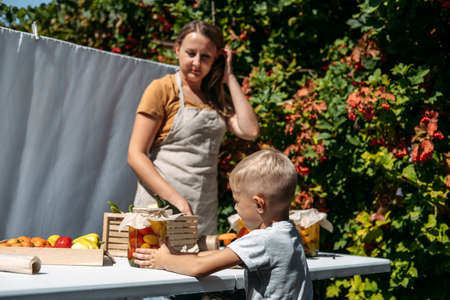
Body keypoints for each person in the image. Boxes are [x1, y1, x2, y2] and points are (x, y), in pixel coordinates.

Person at [127, 20, 259, 235]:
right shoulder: (162, 89)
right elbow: (135, 155)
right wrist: (176, 200)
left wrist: (229, 77)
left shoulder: (215, 99)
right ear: (177, 50)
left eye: (205, 56)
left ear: (216, 58)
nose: (197, 62)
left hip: (202, 207)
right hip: (159, 207)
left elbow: (250, 131)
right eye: (191, 53)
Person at [133, 149, 313, 300]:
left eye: (237, 201)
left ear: (259, 204)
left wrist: (163, 260)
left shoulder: (264, 240)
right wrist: (177, 256)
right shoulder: (288, 233)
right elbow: (221, 256)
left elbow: (199, 268)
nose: (236, 208)